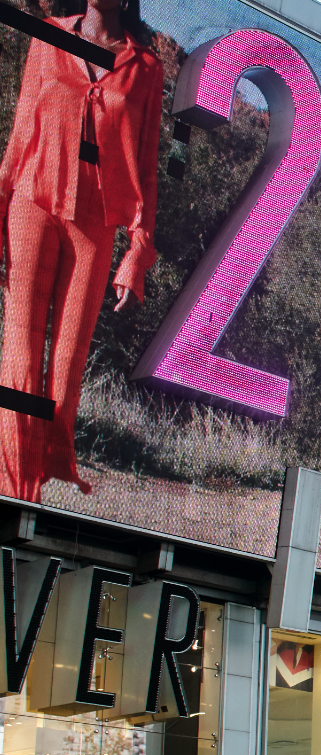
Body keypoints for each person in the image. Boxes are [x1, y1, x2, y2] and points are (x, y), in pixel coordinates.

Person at [0, 0, 164, 504]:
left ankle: (42, 471)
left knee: (67, 365)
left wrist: (138, 249)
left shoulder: (145, 68)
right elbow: (20, 133)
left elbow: (147, 163)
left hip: (95, 220)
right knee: (21, 350)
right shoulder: (48, 36)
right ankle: (15, 487)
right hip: (33, 200)